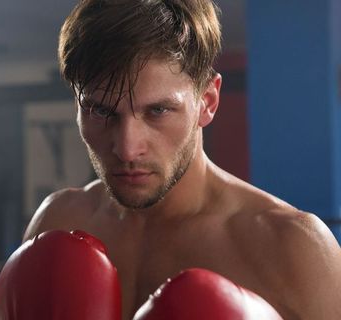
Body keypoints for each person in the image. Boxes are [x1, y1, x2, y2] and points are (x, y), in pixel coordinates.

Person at [22, 0, 341, 319]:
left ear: (208, 102)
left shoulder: (292, 249)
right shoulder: (58, 223)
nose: (127, 149)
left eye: (158, 111)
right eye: (102, 111)